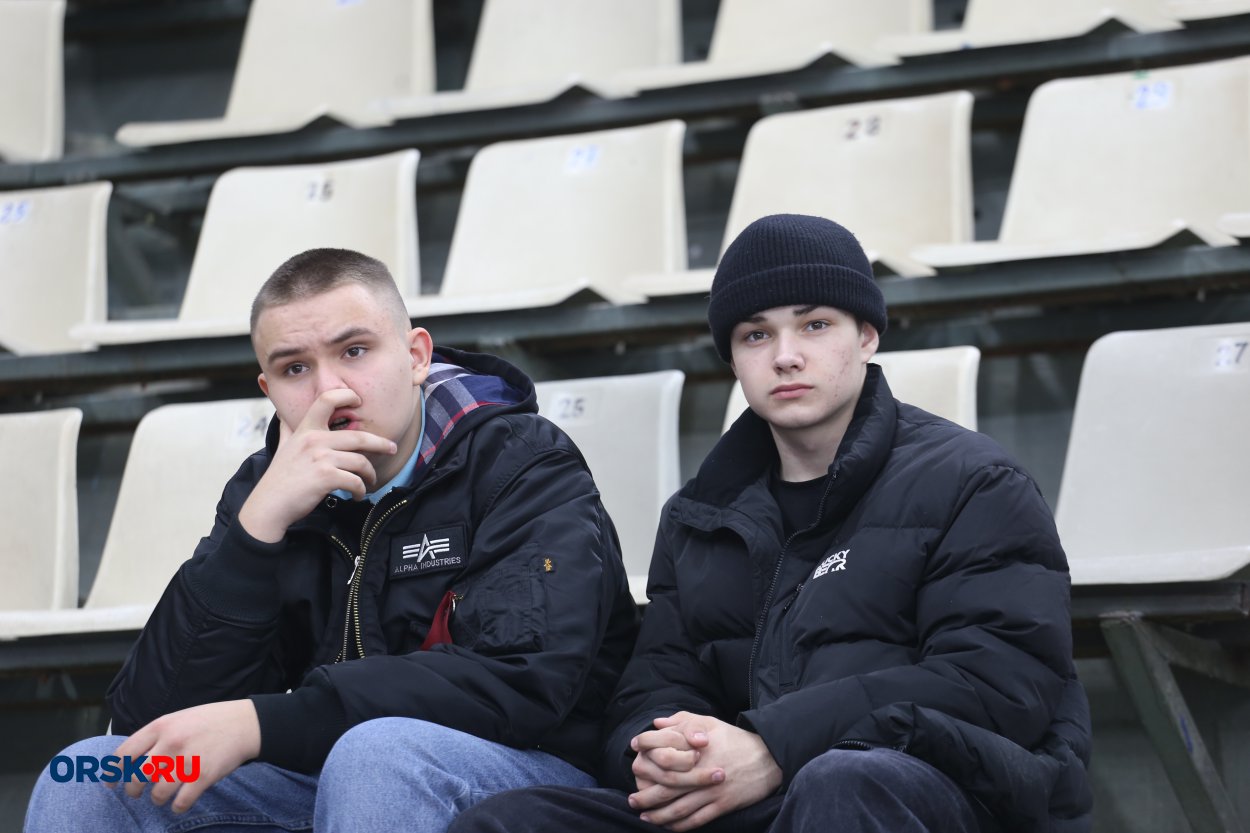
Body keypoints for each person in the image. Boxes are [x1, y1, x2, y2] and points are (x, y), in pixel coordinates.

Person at [447, 214, 1093, 833]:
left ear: (867, 336)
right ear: (732, 359)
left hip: (934, 791)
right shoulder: (699, 515)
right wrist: (659, 751)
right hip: (751, 798)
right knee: (511, 821)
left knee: (843, 781)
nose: (785, 356)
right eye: (756, 335)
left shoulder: (974, 482)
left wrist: (776, 743)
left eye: (815, 325)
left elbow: (997, 682)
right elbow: (653, 685)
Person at [26, 248, 639, 832]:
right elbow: (148, 725)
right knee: (90, 773)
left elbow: (523, 680)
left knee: (377, 756)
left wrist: (267, 723)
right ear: (267, 389)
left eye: (354, 351)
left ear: (416, 356)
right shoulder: (267, 491)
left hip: (526, 777)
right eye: (295, 368)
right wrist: (254, 533)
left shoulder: (520, 460)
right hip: (330, 773)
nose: (330, 390)